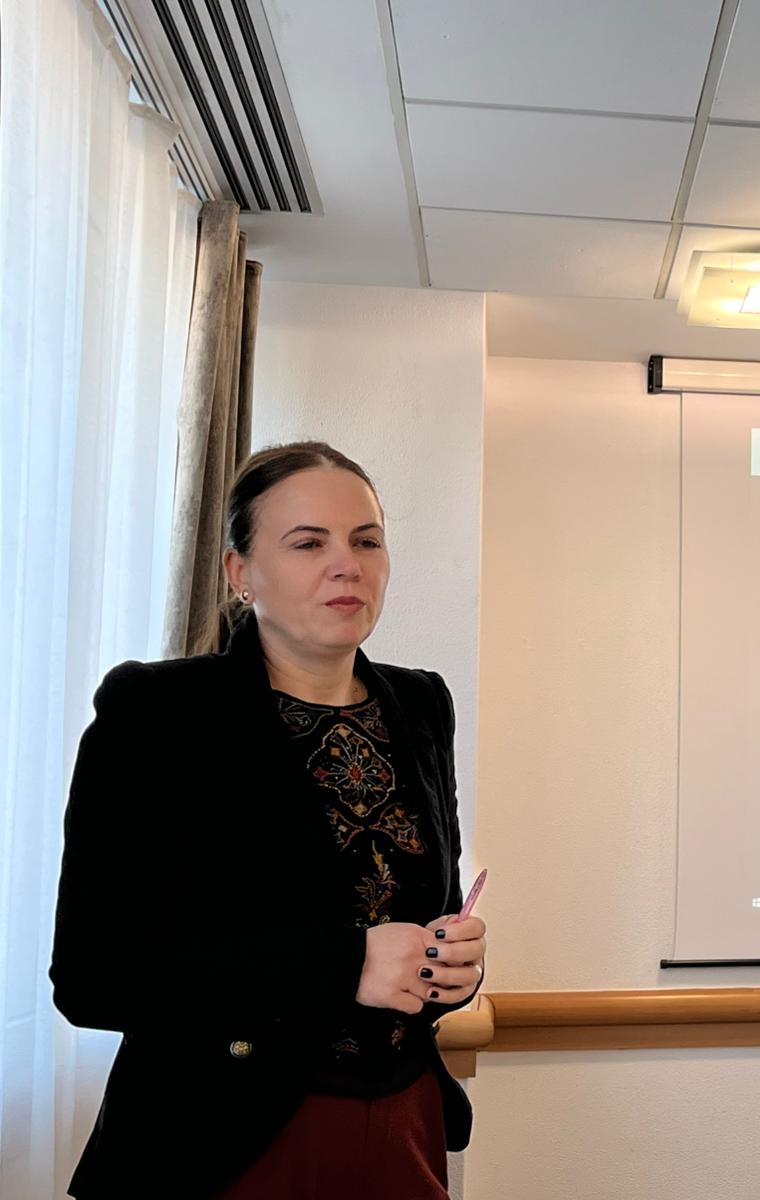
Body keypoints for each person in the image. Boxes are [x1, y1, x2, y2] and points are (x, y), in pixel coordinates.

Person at [50, 442, 486, 1198]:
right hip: (215, 1139)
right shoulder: (157, 713)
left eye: (366, 541)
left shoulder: (421, 704)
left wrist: (451, 967)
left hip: (402, 1124)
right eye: (309, 543)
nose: (346, 565)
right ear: (239, 572)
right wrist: (347, 963)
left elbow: (422, 913)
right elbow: (94, 975)